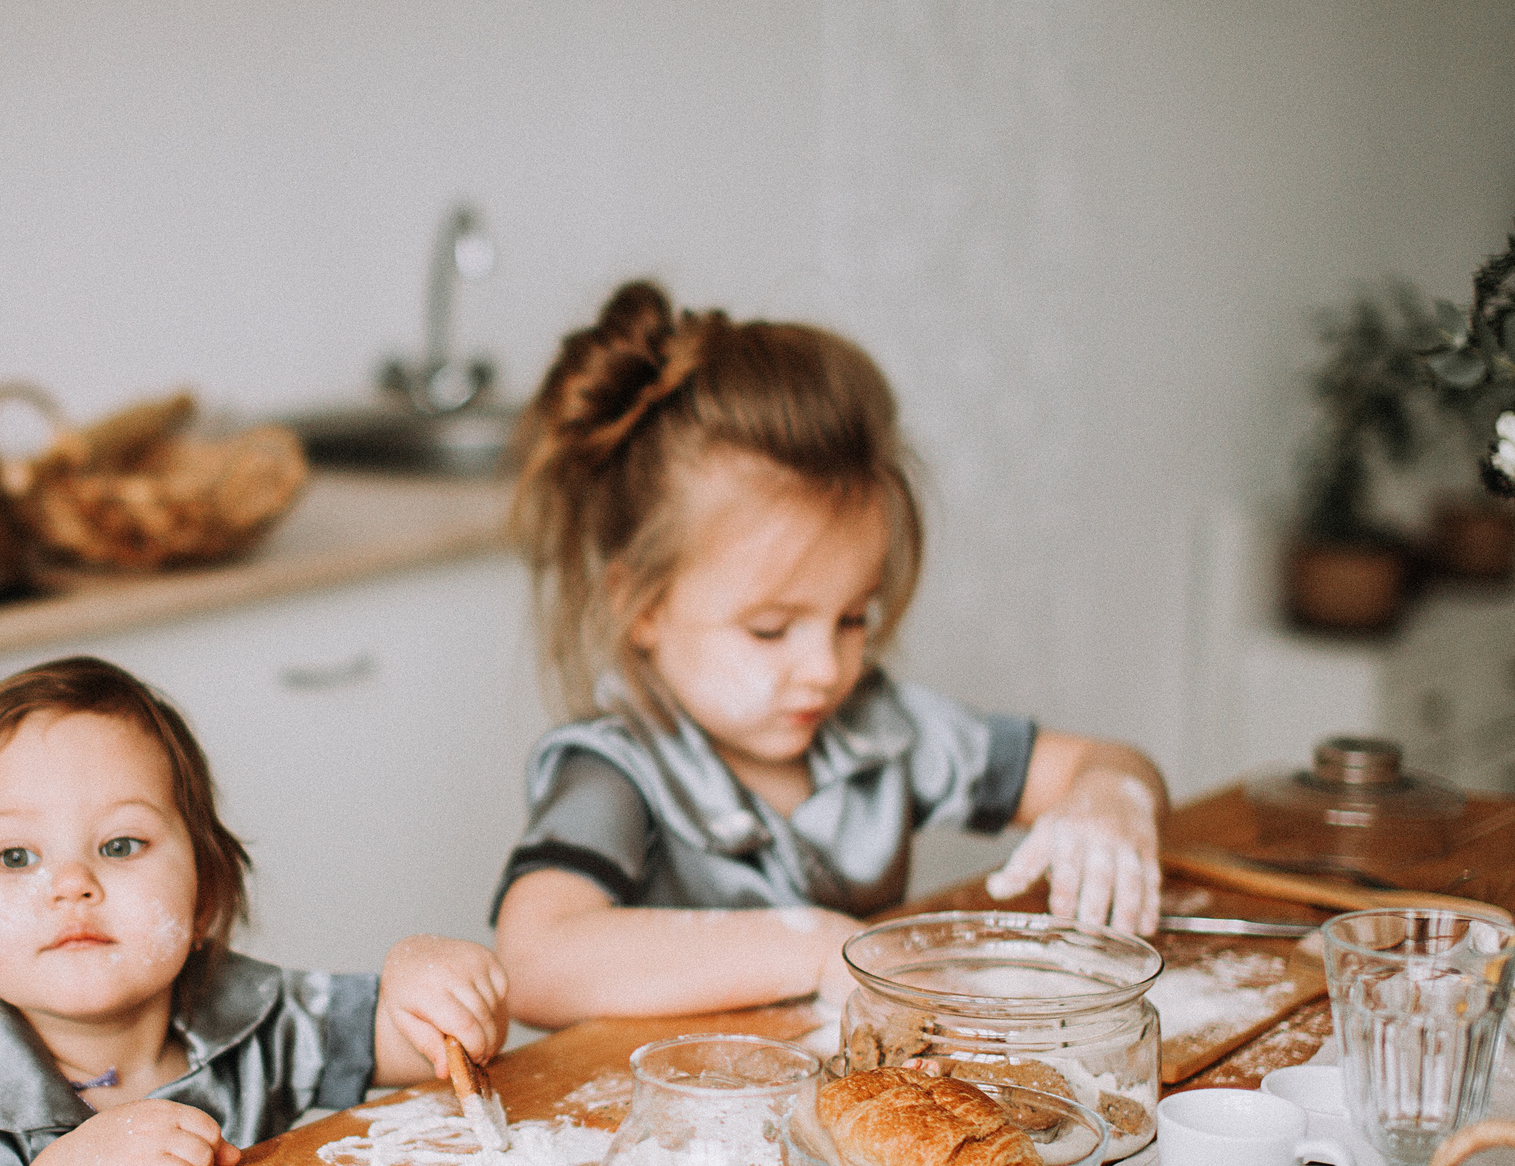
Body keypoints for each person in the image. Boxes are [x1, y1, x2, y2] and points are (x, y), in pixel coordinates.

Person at [493, 281, 1166, 1029]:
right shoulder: (617, 770)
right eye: (771, 629)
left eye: (851, 618)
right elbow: (533, 962)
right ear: (642, 607)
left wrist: (1110, 800)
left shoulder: (880, 728)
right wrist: (812, 945)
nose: (824, 670)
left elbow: (1104, 763)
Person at [0, 655, 508, 1166]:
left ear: (204, 893)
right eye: (16, 857)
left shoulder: (248, 1013)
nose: (72, 883)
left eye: (120, 845)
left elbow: (429, 1046)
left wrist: (425, 980)